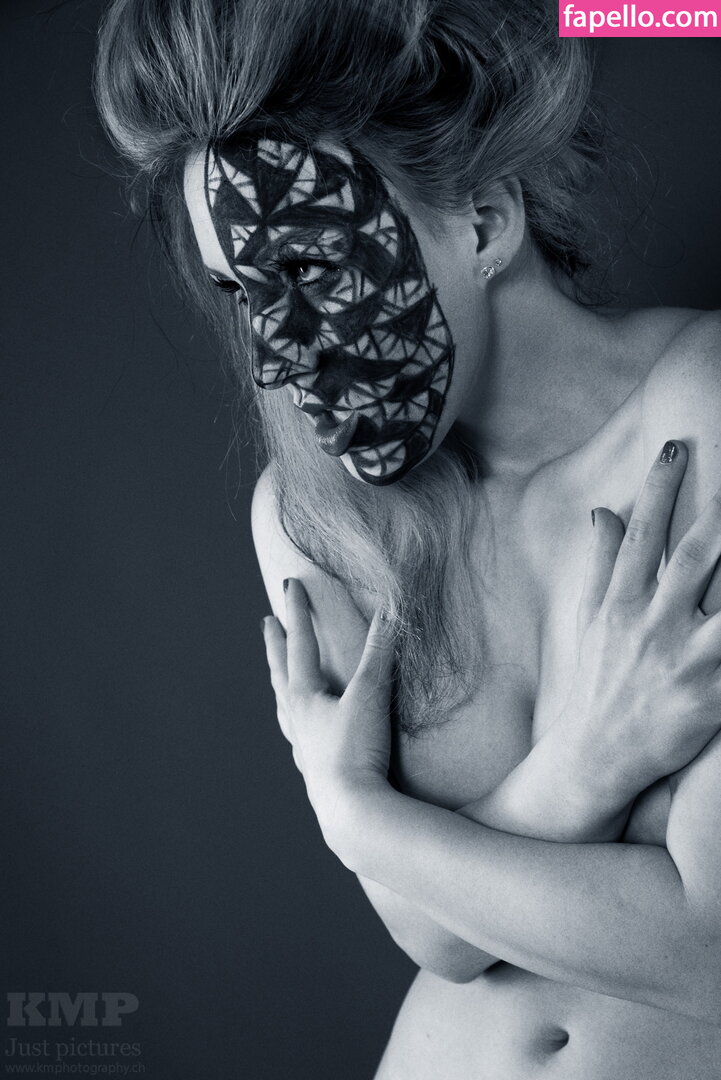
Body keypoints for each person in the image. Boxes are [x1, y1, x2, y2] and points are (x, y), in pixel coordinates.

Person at [94, 0, 721, 1075]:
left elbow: (707, 954)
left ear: (482, 224)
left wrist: (360, 816)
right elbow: (429, 939)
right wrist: (589, 762)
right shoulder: (313, 514)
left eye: (305, 271)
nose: (274, 357)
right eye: (242, 294)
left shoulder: (700, 415)